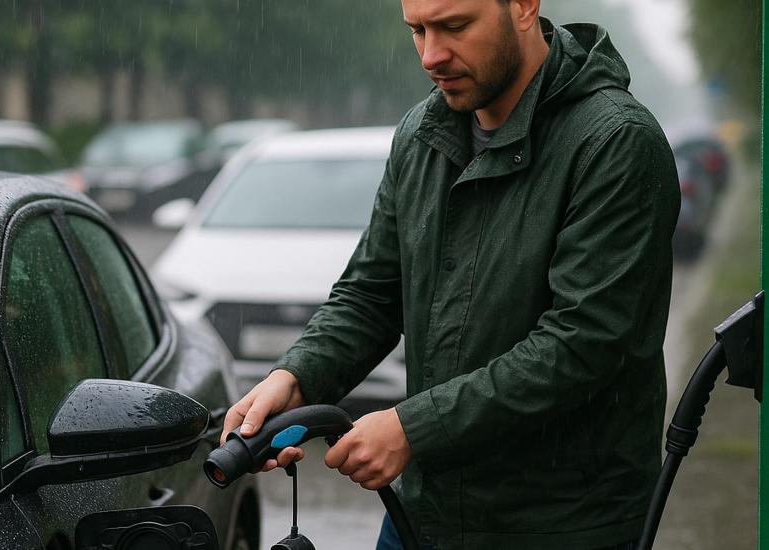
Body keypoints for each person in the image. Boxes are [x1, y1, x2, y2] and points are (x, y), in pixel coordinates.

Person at [222, 0, 680, 548]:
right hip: (423, 517)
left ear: (524, 7)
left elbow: (583, 344)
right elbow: (371, 295)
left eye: (455, 26)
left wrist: (412, 430)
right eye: (417, 30)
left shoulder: (616, 142)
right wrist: (295, 379)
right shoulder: (420, 134)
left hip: (563, 526)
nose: (432, 55)